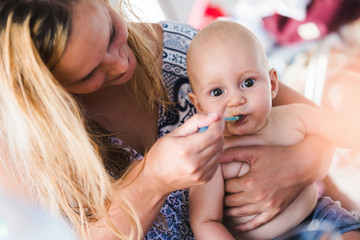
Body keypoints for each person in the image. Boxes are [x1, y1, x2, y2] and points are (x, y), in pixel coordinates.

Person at [0, 0, 337, 239]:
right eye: (89, 74)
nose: (121, 64)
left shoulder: (181, 46)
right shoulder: (21, 158)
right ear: (45, 86)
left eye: (112, 33)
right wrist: (152, 181)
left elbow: (318, 124)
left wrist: (303, 162)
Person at [187, 20, 360, 239]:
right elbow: (205, 221)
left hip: (320, 217)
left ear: (272, 84)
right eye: (217, 92)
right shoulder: (211, 155)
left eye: (248, 83)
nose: (235, 100)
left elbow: (346, 129)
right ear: (199, 105)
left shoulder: (293, 117)